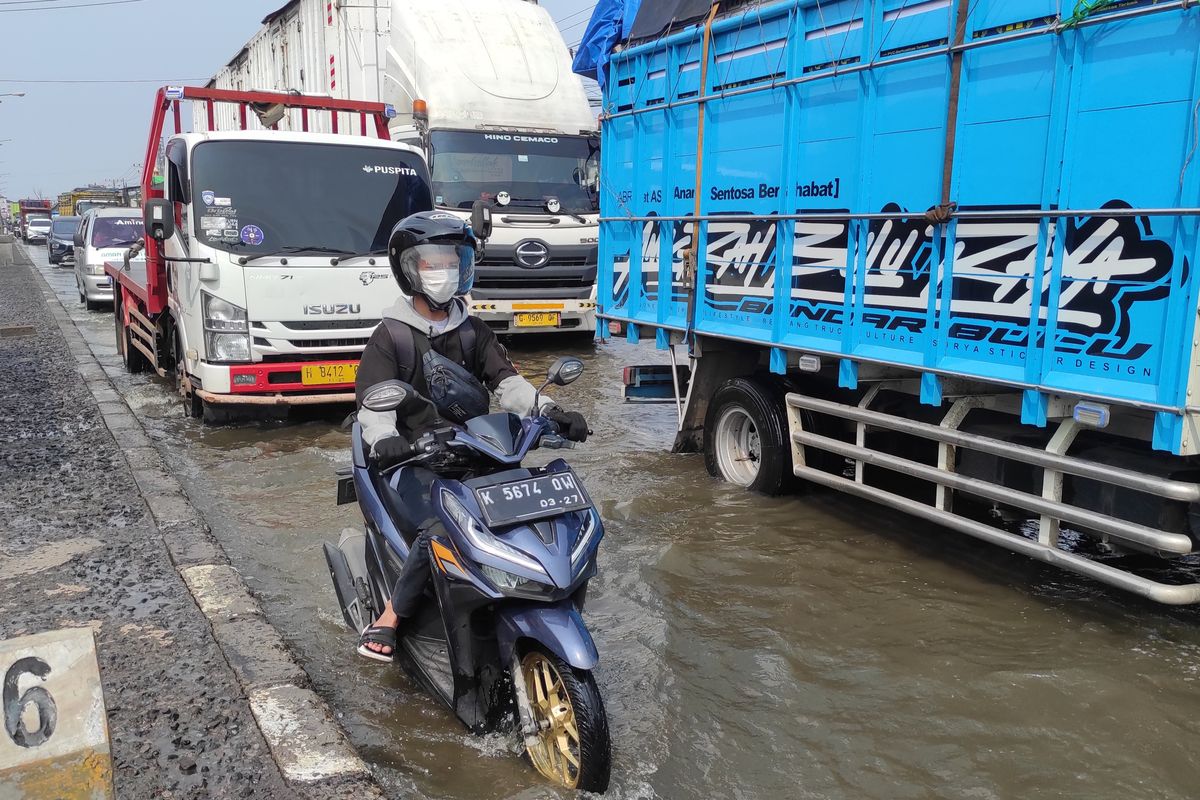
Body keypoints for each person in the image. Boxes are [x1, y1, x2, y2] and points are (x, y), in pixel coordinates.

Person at [355, 211, 590, 662]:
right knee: (440, 528)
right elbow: (372, 401)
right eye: (430, 262)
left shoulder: (473, 329)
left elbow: (508, 382)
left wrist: (552, 411)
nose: (442, 271)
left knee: (534, 511)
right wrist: (386, 437)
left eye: (452, 260)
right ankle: (390, 617)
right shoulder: (391, 336)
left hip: (476, 447)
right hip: (411, 457)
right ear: (408, 269)